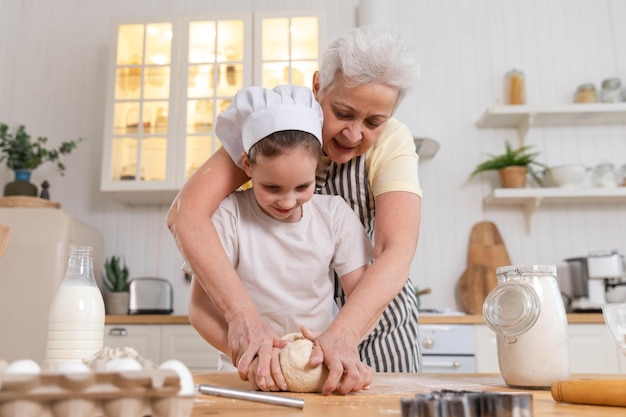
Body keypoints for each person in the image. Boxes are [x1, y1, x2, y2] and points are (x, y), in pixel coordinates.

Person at [167, 26, 422, 395]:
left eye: (373, 122)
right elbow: (186, 215)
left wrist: (346, 332)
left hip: (373, 314)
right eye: (342, 112)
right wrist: (242, 319)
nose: (353, 134)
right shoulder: (277, 129)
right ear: (318, 87)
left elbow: (394, 250)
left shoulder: (393, 144)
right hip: (271, 341)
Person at [191, 85, 374, 389]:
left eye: (302, 187)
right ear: (247, 165)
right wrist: (253, 357)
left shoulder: (336, 216)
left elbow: (363, 299)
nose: (287, 202)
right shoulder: (229, 216)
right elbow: (200, 311)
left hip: (316, 375)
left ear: (316, 167)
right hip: (245, 379)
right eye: (272, 188)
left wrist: (342, 349)